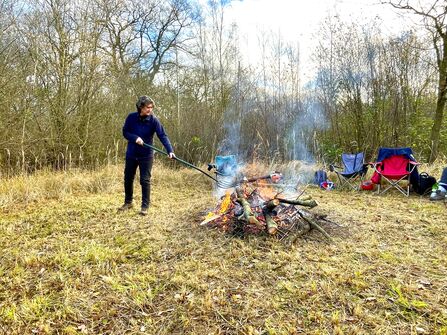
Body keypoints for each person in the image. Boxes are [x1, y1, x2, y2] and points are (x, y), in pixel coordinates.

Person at [119, 96, 175, 215]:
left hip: (146, 155)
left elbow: (162, 135)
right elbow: (125, 132)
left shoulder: (154, 120)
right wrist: (135, 138)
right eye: (147, 107)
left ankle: (145, 206)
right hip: (131, 154)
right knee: (128, 178)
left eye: (151, 107)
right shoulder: (131, 118)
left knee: (145, 180)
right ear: (140, 107)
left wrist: (170, 150)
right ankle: (128, 202)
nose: (150, 109)